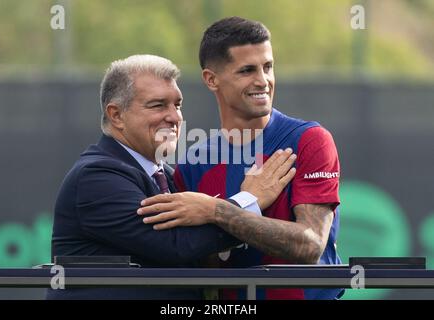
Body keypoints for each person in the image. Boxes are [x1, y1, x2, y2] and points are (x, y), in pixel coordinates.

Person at [46, 54, 296, 300]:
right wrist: (248, 200)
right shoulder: (96, 177)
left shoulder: (166, 175)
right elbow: (175, 245)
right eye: (158, 105)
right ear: (116, 115)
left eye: (177, 105)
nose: (175, 117)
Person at [139, 17, 343, 300]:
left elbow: (310, 246)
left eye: (268, 67)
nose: (263, 81)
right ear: (211, 79)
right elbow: (207, 273)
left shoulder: (310, 140)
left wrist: (217, 211)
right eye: (247, 70)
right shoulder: (193, 163)